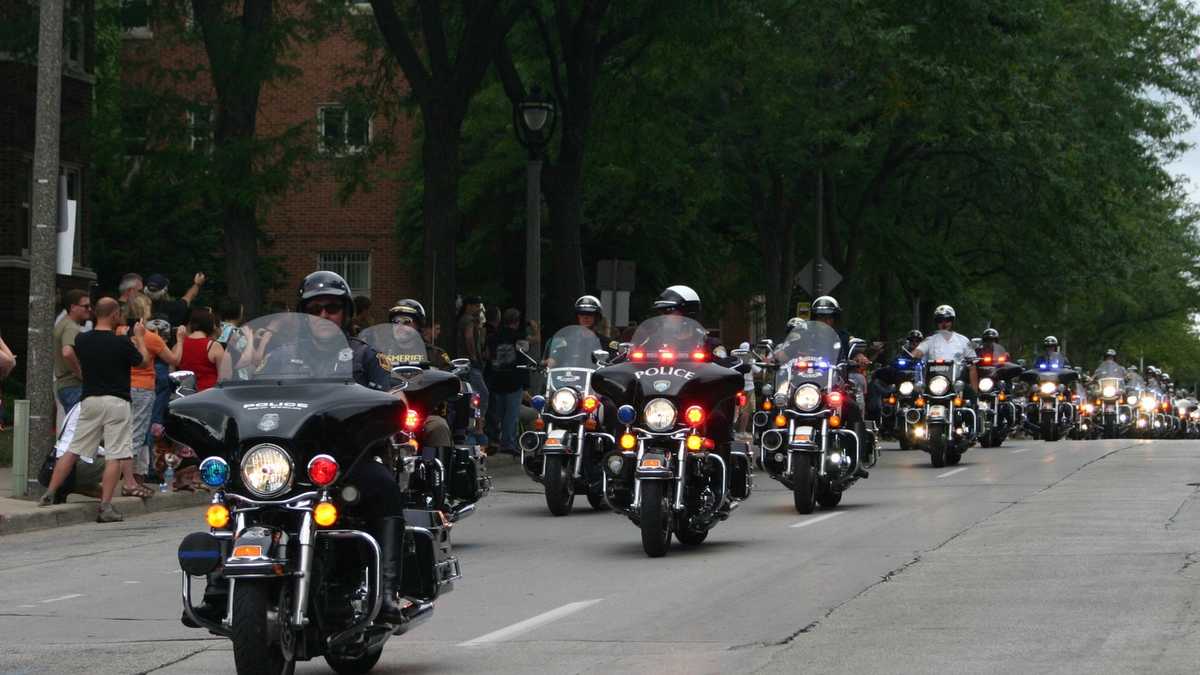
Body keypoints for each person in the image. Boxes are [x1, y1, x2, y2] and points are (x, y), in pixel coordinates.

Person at [39, 298, 150, 522]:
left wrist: (81, 372)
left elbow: (72, 354)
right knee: (114, 455)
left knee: (73, 449)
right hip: (117, 401)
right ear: (114, 314)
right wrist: (139, 337)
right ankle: (105, 507)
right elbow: (143, 362)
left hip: (89, 399)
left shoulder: (82, 339)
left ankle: (50, 492)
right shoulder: (121, 342)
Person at [120, 294, 178, 494]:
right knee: (137, 435)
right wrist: (180, 340)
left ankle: (137, 476)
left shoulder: (119, 332)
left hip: (123, 386)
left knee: (129, 432)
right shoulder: (150, 338)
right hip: (143, 388)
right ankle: (130, 481)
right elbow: (174, 359)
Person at [810, 295, 873, 478]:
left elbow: (855, 350)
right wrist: (774, 358)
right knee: (781, 407)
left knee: (852, 409)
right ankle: (774, 450)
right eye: (820, 317)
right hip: (807, 388)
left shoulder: (843, 336)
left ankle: (857, 458)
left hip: (834, 386)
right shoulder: (803, 335)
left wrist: (859, 357)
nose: (825, 321)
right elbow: (786, 350)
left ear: (835, 318)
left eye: (829, 317)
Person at [485, 308, 528, 456]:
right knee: (511, 414)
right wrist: (535, 328)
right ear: (517, 322)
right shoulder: (519, 337)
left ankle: (493, 439)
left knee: (496, 412)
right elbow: (524, 355)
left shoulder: (493, 337)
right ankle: (508, 442)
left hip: (496, 378)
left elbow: (488, 356)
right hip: (514, 379)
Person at [911, 305, 977, 389]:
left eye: (947, 320)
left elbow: (973, 366)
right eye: (940, 320)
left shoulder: (965, 340)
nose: (944, 324)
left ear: (952, 321)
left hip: (957, 383)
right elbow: (917, 353)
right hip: (933, 383)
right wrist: (914, 354)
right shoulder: (929, 340)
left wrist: (975, 391)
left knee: (971, 395)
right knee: (912, 394)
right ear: (936, 322)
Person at [456, 295, 489, 444]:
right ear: (469, 305)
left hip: (464, 363)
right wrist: (474, 356)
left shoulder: (463, 319)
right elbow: (469, 337)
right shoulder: (468, 320)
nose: (478, 309)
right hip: (470, 363)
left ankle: (474, 424)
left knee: (472, 394)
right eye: (476, 306)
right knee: (481, 393)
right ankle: (478, 425)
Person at [53, 289, 92, 413]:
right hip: (73, 386)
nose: (89, 309)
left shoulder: (64, 323)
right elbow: (67, 352)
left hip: (65, 386)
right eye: (85, 306)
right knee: (78, 424)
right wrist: (80, 374)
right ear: (73, 307)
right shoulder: (71, 327)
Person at [177, 308, 224, 392]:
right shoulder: (214, 346)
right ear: (210, 325)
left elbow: (172, 370)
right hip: (209, 393)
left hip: (186, 392)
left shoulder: (179, 344)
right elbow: (223, 376)